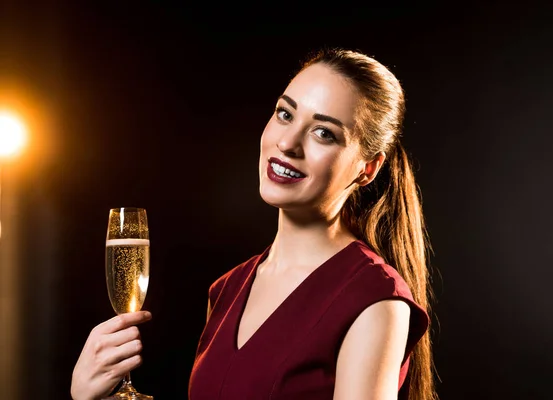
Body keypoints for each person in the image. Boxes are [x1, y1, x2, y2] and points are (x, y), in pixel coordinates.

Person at [71, 48, 437, 400]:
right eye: (285, 114)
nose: (288, 142)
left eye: (324, 132)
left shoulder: (374, 298)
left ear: (366, 169)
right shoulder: (227, 289)